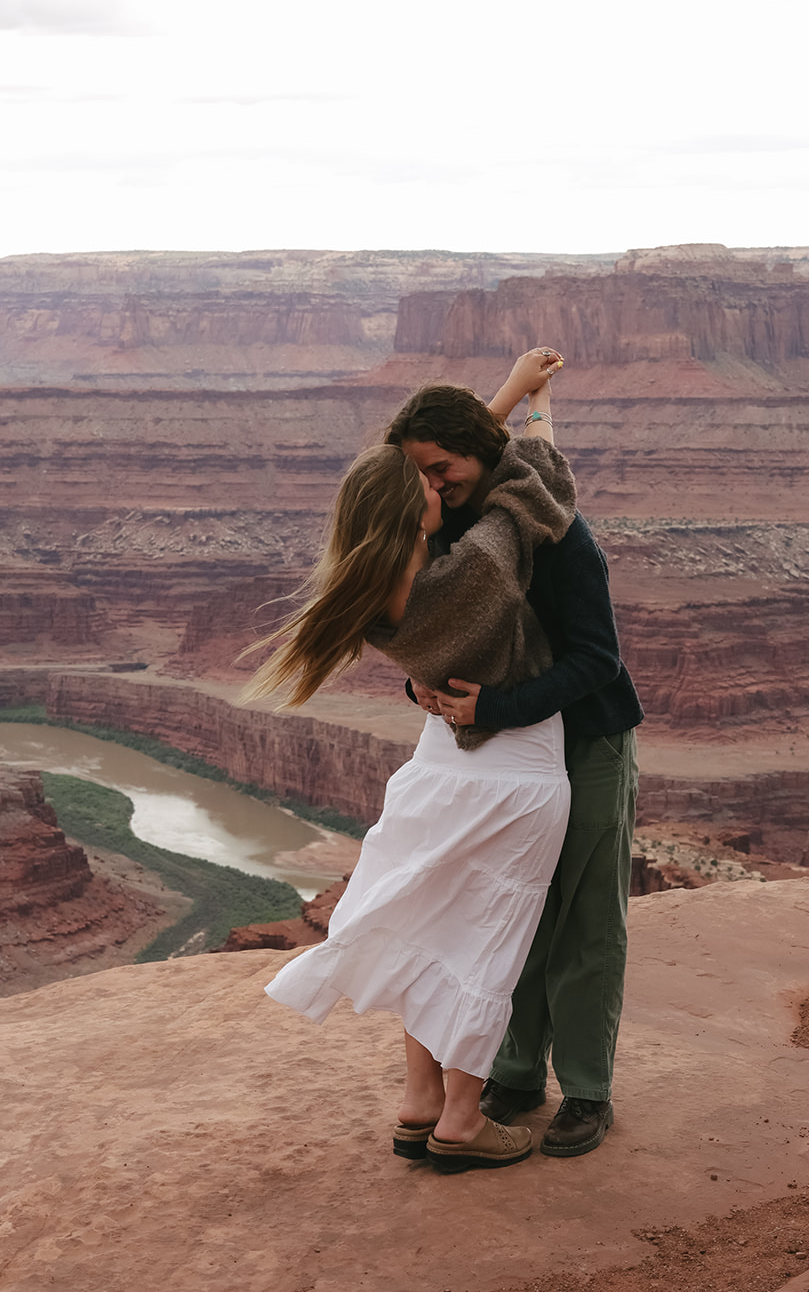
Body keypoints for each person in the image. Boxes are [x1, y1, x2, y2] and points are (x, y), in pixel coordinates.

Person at [244, 350, 576, 1173]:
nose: (440, 488)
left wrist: (503, 392)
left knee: (429, 925)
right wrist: (534, 406)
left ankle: (418, 1101)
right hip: (513, 773)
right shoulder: (471, 570)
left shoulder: (375, 593)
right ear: (409, 510)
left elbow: (456, 471)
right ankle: (461, 1120)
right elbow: (535, 488)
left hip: (436, 772)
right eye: (427, 485)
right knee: (482, 940)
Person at [386, 353, 642, 1159]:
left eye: (440, 467)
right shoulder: (460, 530)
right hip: (498, 757)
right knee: (508, 909)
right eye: (419, 475)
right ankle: (517, 1072)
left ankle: (587, 1091)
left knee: (583, 917)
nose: (431, 485)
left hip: (585, 740)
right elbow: (442, 640)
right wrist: (424, 692)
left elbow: (596, 658)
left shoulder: (562, 537)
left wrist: (495, 707)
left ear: (481, 454)